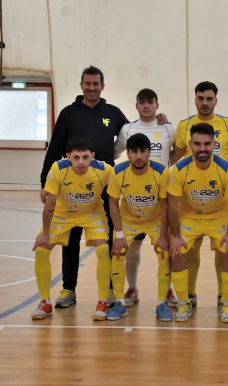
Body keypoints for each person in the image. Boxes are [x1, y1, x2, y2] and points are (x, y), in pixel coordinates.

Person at [39, 66, 167, 308]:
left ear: (102, 86)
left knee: (107, 238)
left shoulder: (112, 113)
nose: (92, 88)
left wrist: (158, 121)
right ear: (81, 86)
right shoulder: (68, 113)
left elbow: (135, 133)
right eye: (87, 84)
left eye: (95, 84)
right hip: (72, 186)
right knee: (70, 240)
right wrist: (45, 182)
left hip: (104, 185)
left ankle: (109, 289)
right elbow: (55, 147)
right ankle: (68, 289)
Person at [169, 81, 228, 308]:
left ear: (216, 100)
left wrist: (225, 170)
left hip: (220, 200)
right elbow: (176, 153)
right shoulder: (183, 125)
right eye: (201, 98)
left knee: (226, 252)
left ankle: (224, 298)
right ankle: (188, 296)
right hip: (190, 201)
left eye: (209, 98)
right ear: (195, 100)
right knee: (187, 251)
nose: (205, 102)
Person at [31, 137, 112, 321]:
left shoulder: (105, 170)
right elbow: (50, 203)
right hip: (63, 213)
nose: (81, 162)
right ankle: (44, 302)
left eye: (85, 157)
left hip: (92, 213)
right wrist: (44, 233)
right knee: (41, 250)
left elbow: (118, 192)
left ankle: (103, 302)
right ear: (68, 157)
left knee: (103, 249)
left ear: (92, 156)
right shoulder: (58, 169)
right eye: (76, 157)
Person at [113, 88, 178, 308]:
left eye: (150, 102)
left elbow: (179, 151)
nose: (146, 106)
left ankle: (168, 289)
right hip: (133, 199)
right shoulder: (128, 129)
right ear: (136, 106)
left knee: (165, 250)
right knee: (132, 249)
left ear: (157, 105)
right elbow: (115, 151)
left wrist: (167, 171)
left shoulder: (169, 128)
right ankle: (132, 288)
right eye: (142, 102)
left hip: (160, 198)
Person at [107, 134, 172, 321]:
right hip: (129, 220)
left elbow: (165, 204)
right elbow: (113, 202)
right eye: (134, 152)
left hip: (155, 219)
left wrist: (163, 236)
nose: (138, 156)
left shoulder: (161, 171)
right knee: (118, 253)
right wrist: (119, 235)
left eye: (143, 151)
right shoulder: (117, 172)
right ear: (127, 154)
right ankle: (121, 301)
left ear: (149, 152)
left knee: (164, 254)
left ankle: (162, 303)